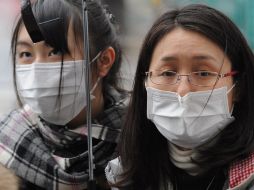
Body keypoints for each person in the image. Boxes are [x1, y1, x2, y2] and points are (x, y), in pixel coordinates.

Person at [105, 4, 254, 190]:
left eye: (203, 73)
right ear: (145, 84)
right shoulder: (126, 174)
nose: (183, 90)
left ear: (238, 87)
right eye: (167, 73)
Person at [0, 0, 128, 189]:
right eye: (26, 54)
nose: (37, 69)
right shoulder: (7, 144)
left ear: (103, 61)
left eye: (55, 51)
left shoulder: (141, 141)